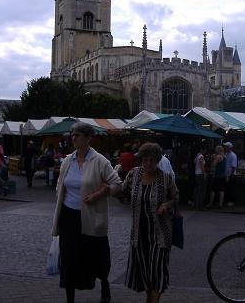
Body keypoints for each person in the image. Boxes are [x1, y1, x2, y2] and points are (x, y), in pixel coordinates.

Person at [51, 122, 121, 303]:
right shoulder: (68, 160)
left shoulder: (99, 161)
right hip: (68, 216)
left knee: (96, 255)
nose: (73, 138)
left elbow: (116, 184)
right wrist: (62, 198)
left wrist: (99, 193)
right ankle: (70, 297)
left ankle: (104, 283)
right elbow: (60, 184)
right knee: (69, 258)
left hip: (90, 217)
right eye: (72, 135)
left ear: (88, 138)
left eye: (78, 135)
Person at [122, 142, 179, 303]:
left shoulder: (165, 178)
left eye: (152, 160)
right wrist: (106, 189)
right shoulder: (134, 175)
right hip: (139, 234)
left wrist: (166, 204)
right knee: (145, 271)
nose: (148, 164)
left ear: (157, 160)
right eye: (145, 160)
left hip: (160, 233)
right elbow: (122, 191)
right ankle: (149, 299)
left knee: (158, 271)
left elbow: (176, 197)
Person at [224, 141, 237, 206]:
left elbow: (233, 167)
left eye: (226, 147)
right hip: (226, 174)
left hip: (231, 175)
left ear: (229, 147)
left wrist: (230, 175)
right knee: (227, 188)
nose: (225, 148)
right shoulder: (226, 154)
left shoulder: (233, 155)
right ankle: (227, 201)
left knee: (231, 188)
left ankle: (231, 201)